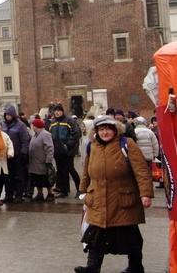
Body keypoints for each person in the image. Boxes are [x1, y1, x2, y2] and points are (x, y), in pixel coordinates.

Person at [75, 115, 154, 273]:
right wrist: (83, 191)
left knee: (130, 235)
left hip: (122, 199)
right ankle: (93, 266)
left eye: (108, 129)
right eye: (101, 129)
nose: (105, 132)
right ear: (96, 131)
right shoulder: (92, 146)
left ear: (115, 130)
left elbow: (141, 170)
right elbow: (86, 171)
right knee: (95, 234)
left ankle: (135, 266)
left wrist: (145, 193)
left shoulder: (126, 144)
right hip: (98, 198)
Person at [48, 103, 81, 198]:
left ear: (62, 111)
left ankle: (79, 189)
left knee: (71, 169)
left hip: (67, 151)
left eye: (59, 111)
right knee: (61, 171)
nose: (57, 112)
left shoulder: (69, 121)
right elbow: (50, 135)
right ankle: (63, 190)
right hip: (57, 151)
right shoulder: (53, 122)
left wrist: (69, 145)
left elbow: (76, 134)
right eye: (56, 111)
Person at [1, 105, 30, 203]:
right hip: (6, 154)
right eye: (6, 115)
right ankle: (8, 194)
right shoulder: (3, 125)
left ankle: (19, 194)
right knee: (8, 176)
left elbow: (25, 140)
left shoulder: (20, 125)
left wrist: (23, 152)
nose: (8, 117)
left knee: (19, 175)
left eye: (9, 115)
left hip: (17, 154)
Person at [28, 118, 55, 202]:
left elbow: (49, 148)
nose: (33, 127)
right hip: (35, 162)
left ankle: (50, 193)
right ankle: (40, 194)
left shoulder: (45, 134)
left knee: (46, 178)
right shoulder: (35, 135)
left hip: (43, 162)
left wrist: (48, 160)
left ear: (38, 126)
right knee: (37, 179)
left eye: (34, 126)